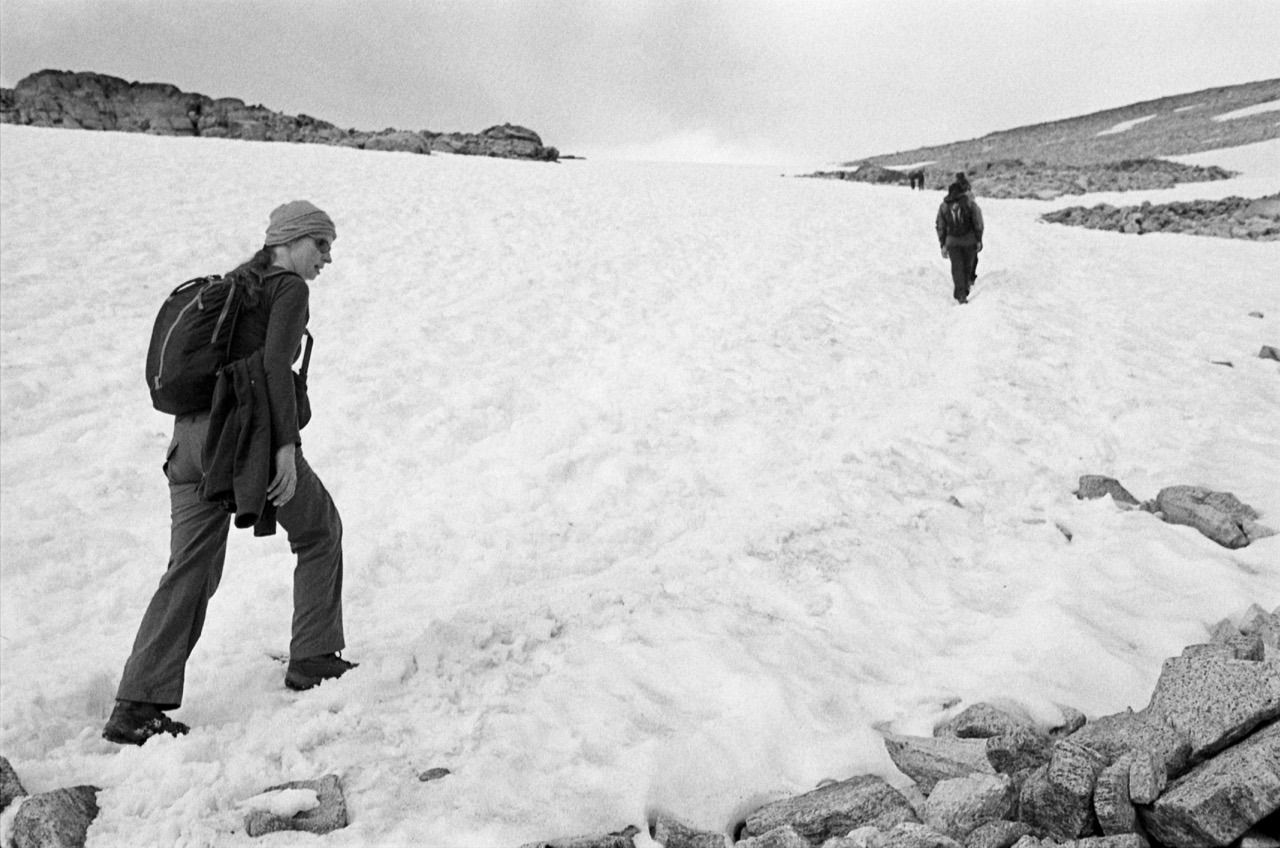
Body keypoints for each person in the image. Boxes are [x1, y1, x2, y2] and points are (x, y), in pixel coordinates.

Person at [104, 201, 355, 746]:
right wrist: (285, 448)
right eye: (321, 244)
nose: (327, 258)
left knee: (189, 568)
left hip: (188, 444)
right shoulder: (288, 289)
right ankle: (313, 656)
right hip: (240, 443)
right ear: (290, 241)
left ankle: (136, 705)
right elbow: (274, 368)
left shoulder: (237, 285)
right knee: (320, 530)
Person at [936, 174, 984, 304]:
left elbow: (940, 226)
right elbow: (978, 222)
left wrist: (943, 244)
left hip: (952, 242)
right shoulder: (970, 203)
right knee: (967, 266)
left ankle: (960, 294)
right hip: (969, 240)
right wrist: (979, 239)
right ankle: (965, 288)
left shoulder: (944, 205)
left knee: (957, 267)